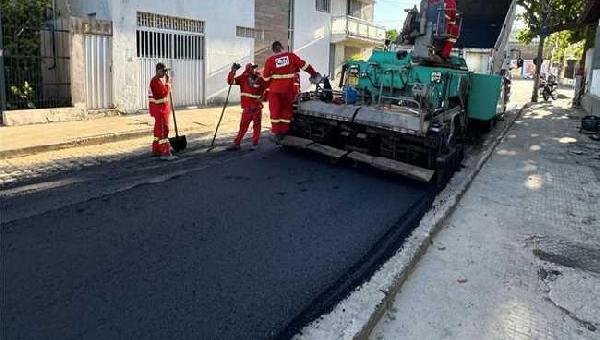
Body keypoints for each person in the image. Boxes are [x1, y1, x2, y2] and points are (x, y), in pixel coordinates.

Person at [262, 41, 322, 142]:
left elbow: (266, 79)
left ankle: (277, 132)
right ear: (281, 47)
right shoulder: (290, 56)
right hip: (287, 90)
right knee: (286, 110)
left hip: (275, 91)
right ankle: (284, 131)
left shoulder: (270, 60)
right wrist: (314, 73)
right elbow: (304, 65)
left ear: (273, 50)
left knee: (275, 111)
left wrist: (265, 92)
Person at [226, 62, 266, 150]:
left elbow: (267, 89)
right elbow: (230, 81)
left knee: (256, 126)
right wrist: (233, 71)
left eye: (255, 68)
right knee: (243, 126)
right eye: (252, 68)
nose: (254, 69)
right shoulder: (243, 77)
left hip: (257, 108)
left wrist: (263, 98)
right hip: (247, 108)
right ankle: (237, 143)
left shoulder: (260, 79)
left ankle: (255, 143)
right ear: (248, 69)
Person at [148, 62, 175, 160]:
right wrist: (168, 83)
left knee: (157, 132)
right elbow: (163, 93)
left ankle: (157, 149)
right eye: (163, 71)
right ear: (158, 70)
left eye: (165, 71)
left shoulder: (157, 81)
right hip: (160, 110)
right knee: (164, 131)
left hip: (159, 110)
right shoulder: (155, 81)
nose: (164, 73)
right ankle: (166, 152)